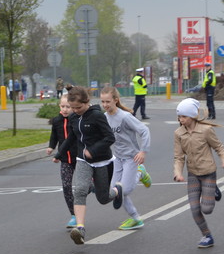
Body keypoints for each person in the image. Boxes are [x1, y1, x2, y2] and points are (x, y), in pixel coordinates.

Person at [173, 97, 224, 248]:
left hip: (208, 173)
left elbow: (219, 147)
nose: (181, 119)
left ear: (192, 116)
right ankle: (207, 236)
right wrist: (178, 173)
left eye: (184, 116)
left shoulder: (205, 130)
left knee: (207, 209)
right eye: (179, 116)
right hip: (193, 174)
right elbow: (178, 157)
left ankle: (213, 191)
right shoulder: (179, 133)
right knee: (194, 209)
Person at [64, 85, 118, 245]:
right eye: (73, 108)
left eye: (78, 107)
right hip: (83, 160)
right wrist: (59, 153)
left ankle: (117, 190)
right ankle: (80, 228)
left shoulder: (97, 116)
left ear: (86, 102)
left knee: (103, 198)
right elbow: (72, 137)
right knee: (79, 190)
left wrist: (93, 150)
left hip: (102, 160)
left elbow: (110, 138)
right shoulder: (74, 117)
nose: (75, 110)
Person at [100, 86, 151, 231]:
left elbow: (144, 131)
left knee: (124, 190)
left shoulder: (125, 117)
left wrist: (143, 151)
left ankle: (140, 172)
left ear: (116, 100)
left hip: (131, 157)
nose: (105, 105)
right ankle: (136, 219)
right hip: (118, 158)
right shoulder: (104, 117)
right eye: (102, 102)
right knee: (114, 191)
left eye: (108, 101)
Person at [47, 94, 77, 229]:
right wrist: (51, 147)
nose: (65, 109)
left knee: (86, 185)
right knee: (66, 186)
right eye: (62, 106)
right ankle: (74, 215)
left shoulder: (75, 120)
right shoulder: (57, 121)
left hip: (79, 157)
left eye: (68, 107)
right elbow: (54, 136)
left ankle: (93, 186)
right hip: (65, 159)